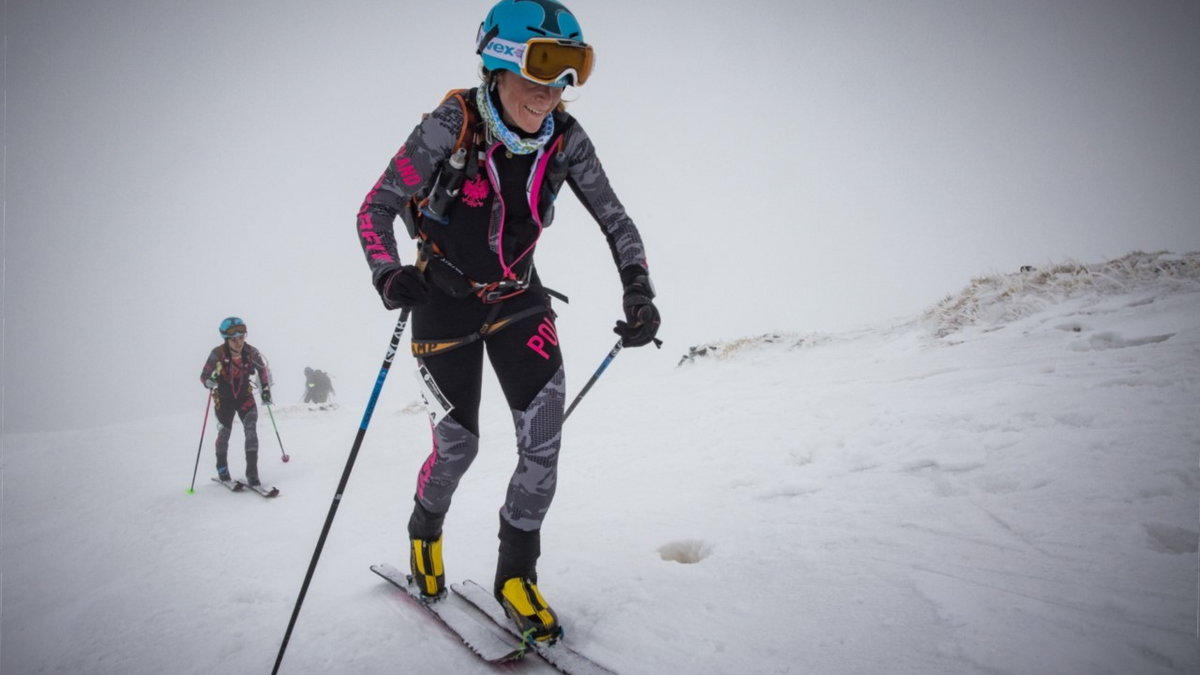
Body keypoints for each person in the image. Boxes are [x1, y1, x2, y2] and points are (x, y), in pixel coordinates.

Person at [354, 0, 660, 642]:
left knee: (543, 439)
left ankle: (517, 575)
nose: (551, 94)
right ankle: (424, 534)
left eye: (568, 74)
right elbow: (375, 209)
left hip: (518, 296)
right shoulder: (450, 124)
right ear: (499, 62)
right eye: (540, 73)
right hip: (442, 301)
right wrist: (389, 273)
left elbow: (617, 219)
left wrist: (639, 291)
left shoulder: (567, 140)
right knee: (459, 447)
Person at [200, 317, 274, 487]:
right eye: (234, 339)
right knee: (225, 433)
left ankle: (252, 473)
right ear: (226, 338)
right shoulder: (217, 353)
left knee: (251, 431)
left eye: (241, 337)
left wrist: (266, 391)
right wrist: (208, 382)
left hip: (245, 397)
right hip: (224, 399)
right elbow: (204, 376)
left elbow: (263, 371)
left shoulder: (251, 352)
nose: (239, 342)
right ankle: (222, 469)